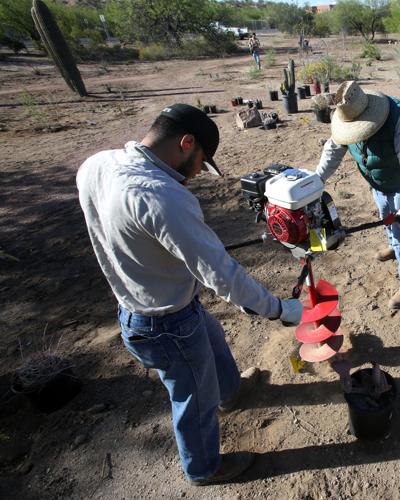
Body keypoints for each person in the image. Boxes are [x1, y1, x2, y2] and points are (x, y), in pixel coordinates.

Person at [76, 104, 303, 486]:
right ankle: (203, 468)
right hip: (163, 321)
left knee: (212, 337)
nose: (198, 173)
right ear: (186, 143)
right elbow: (222, 274)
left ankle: (231, 393)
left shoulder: (96, 164)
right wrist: (279, 309)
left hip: (152, 301)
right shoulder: (163, 196)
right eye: (200, 162)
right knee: (192, 397)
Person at [315, 81, 400, 310]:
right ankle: (393, 246)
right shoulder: (346, 118)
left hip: (398, 186)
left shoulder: (397, 116)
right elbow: (333, 151)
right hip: (377, 184)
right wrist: (316, 181)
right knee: (386, 219)